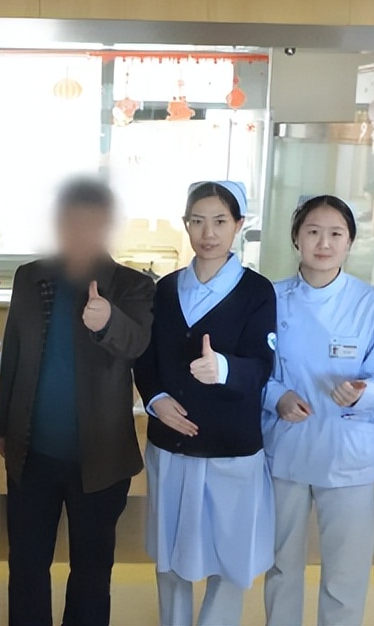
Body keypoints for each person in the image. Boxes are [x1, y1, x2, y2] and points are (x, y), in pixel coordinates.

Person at [0, 178, 155, 626]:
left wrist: (107, 321)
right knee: (27, 567)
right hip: (31, 454)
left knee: (91, 572)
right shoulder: (31, 277)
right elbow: (14, 354)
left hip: (100, 461)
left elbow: (137, 343)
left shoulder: (132, 285)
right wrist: (3, 428)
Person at [134, 180, 277, 626]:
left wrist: (224, 369)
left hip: (231, 448)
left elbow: (262, 365)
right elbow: (145, 358)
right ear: (186, 224)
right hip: (171, 446)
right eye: (197, 221)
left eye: (219, 221)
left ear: (239, 224)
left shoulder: (256, 291)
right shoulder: (165, 289)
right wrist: (156, 399)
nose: (208, 233)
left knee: (229, 559)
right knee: (170, 557)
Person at [261, 195, 374, 626]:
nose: (323, 243)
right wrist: (276, 397)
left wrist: (364, 393)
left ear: (349, 242)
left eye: (335, 233)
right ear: (296, 238)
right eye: (313, 232)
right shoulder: (270, 298)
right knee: (281, 566)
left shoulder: (371, 303)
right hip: (286, 448)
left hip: (347, 453)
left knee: (346, 573)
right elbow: (252, 370)